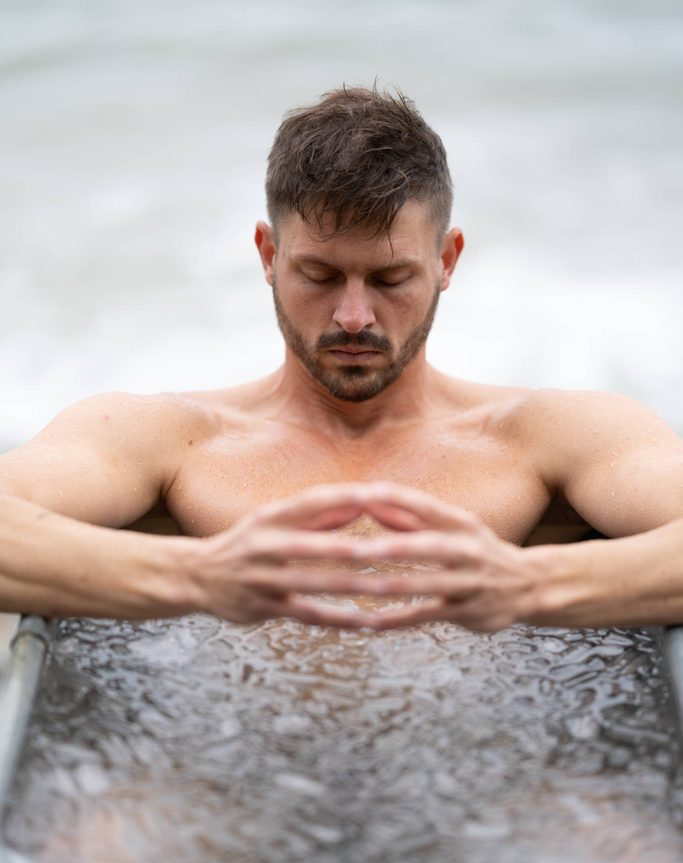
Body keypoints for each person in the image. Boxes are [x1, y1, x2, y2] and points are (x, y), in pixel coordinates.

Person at [1, 85, 682, 634]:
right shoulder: (171, 436)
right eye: (319, 275)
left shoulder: (542, 433)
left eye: (389, 280)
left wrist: (526, 585)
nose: (353, 317)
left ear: (445, 261)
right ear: (268, 256)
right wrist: (198, 576)